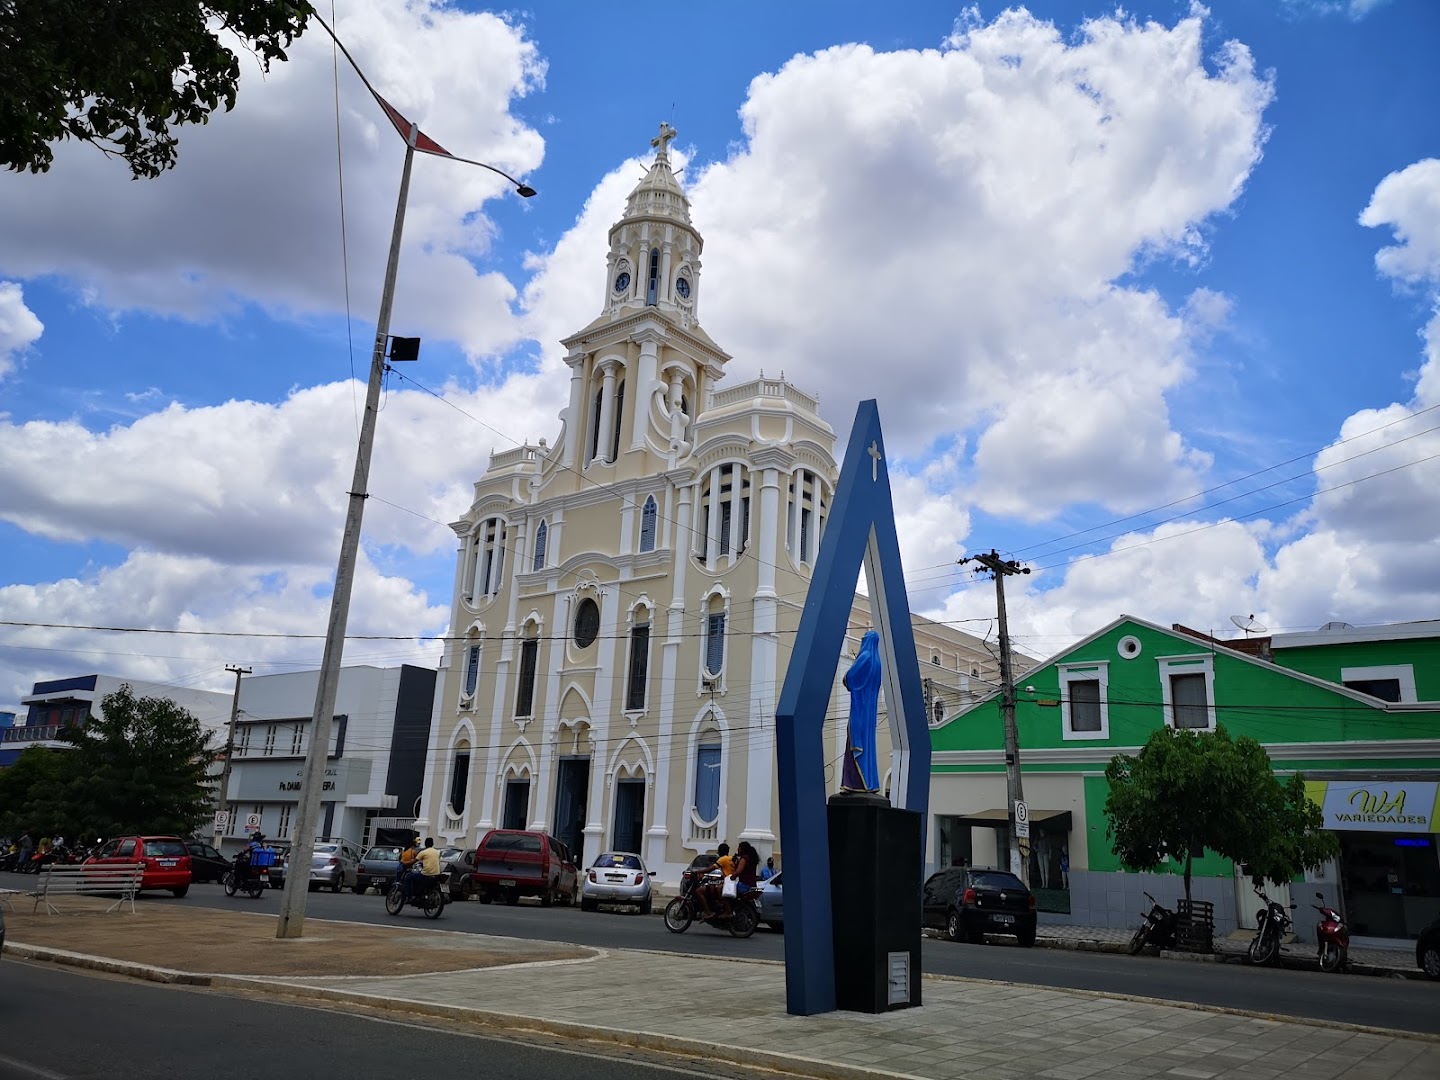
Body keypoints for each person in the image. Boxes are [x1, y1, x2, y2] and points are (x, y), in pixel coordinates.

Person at [840, 630, 883, 793]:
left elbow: (849, 678)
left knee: (854, 742)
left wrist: (849, 673)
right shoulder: (878, 662)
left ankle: (852, 784)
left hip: (859, 709)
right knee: (868, 745)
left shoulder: (865, 656)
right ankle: (869, 783)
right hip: (870, 712)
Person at [695, 842, 734, 918]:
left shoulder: (723, 859)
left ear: (720, 851)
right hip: (731, 882)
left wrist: (698, 871)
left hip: (728, 882)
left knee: (699, 891)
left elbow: (711, 868)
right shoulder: (731, 858)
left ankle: (708, 912)